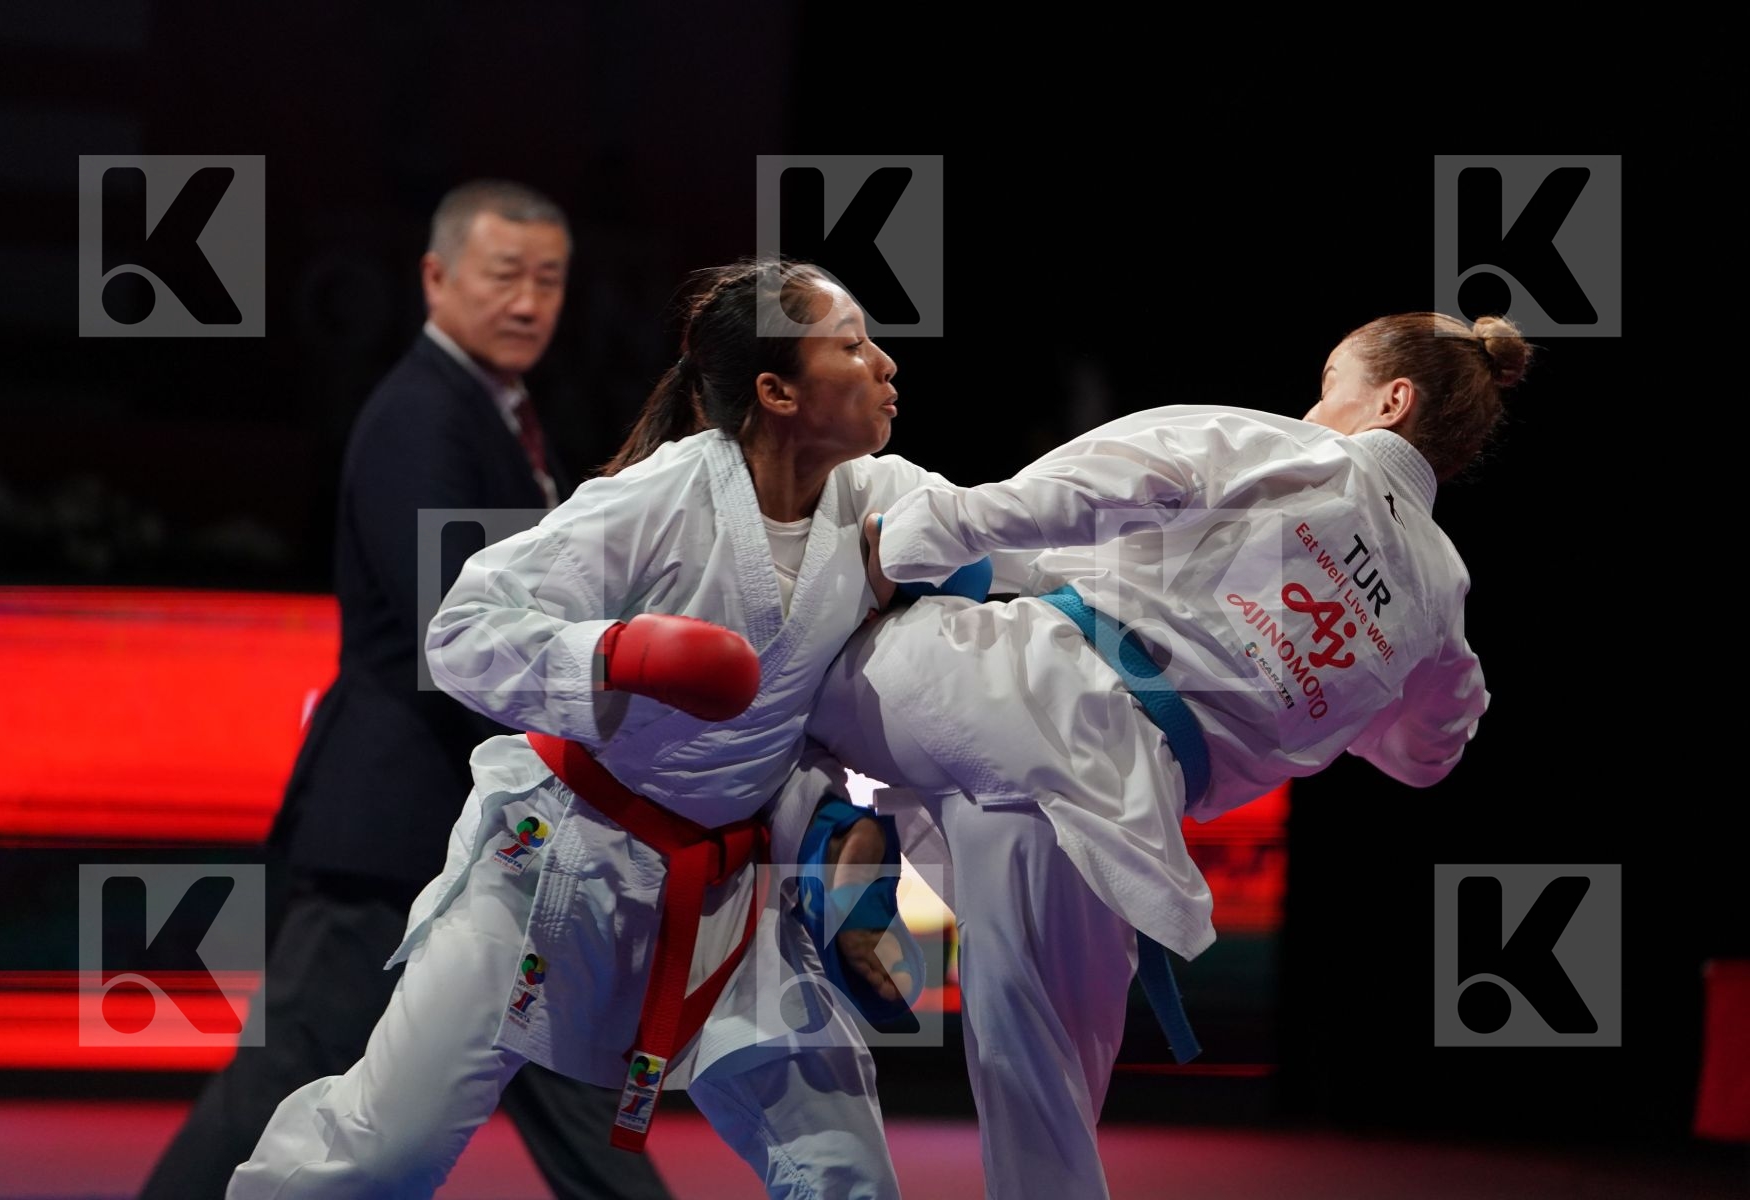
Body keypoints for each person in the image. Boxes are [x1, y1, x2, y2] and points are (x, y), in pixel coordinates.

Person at [227, 259, 948, 1200]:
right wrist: (618, 655)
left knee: (845, 1173)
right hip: (556, 869)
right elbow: (461, 630)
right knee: (381, 1151)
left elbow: (1018, 526)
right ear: (775, 391)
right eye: (852, 346)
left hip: (732, 897)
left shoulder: (881, 496)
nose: (884, 364)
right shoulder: (664, 496)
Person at [805, 312, 1529, 1199]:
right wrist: (1337, 696)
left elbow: (1091, 486)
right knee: (1051, 1121)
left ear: (1392, 400)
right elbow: (1430, 754)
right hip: (1116, 825)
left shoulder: (1283, 448)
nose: (1315, 401)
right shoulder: (1441, 599)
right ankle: (845, 840)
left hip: (999, 691)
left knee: (784, 668)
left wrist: (919, 541)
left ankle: (832, 833)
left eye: (1332, 379)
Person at [140, 180, 675, 1200]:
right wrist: (619, 722)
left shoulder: (506, 417)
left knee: (568, 1083)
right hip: (399, 828)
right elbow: (461, 633)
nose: (528, 302)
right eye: (503, 275)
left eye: (549, 280)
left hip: (490, 833)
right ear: (435, 277)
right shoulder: (421, 417)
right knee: (287, 1073)